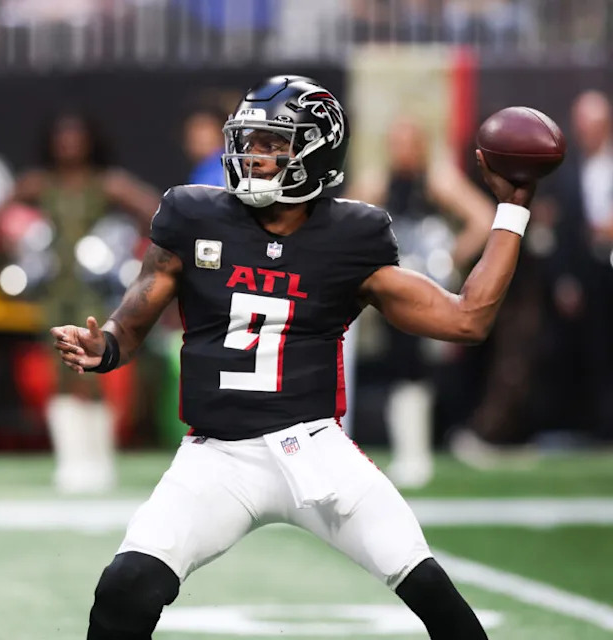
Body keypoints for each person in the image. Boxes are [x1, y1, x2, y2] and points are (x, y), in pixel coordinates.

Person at [51, 76, 538, 640]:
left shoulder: (352, 236)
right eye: (249, 140)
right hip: (216, 456)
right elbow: (133, 317)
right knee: (123, 589)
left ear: (317, 151)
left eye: (273, 144)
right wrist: (105, 345)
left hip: (315, 451)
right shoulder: (193, 216)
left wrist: (510, 212)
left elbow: (466, 318)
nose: (253, 156)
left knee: (435, 596)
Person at [6, 111, 159, 494]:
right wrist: (23, 243)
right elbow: (2, 213)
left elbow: (153, 210)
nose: (68, 144)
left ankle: (99, 460)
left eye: (76, 136)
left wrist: (124, 249)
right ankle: (70, 461)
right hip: (56, 291)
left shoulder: (107, 184)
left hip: (94, 291)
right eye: (62, 136)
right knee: (58, 370)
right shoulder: (40, 184)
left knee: (97, 367)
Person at [349, 116, 494, 488]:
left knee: (423, 363)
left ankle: (423, 451)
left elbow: (483, 218)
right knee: (399, 361)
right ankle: (409, 452)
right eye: (396, 142)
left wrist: (449, 260)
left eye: (409, 141)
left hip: (428, 287)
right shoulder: (378, 181)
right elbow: (342, 221)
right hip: (392, 286)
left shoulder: (437, 179)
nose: (402, 150)